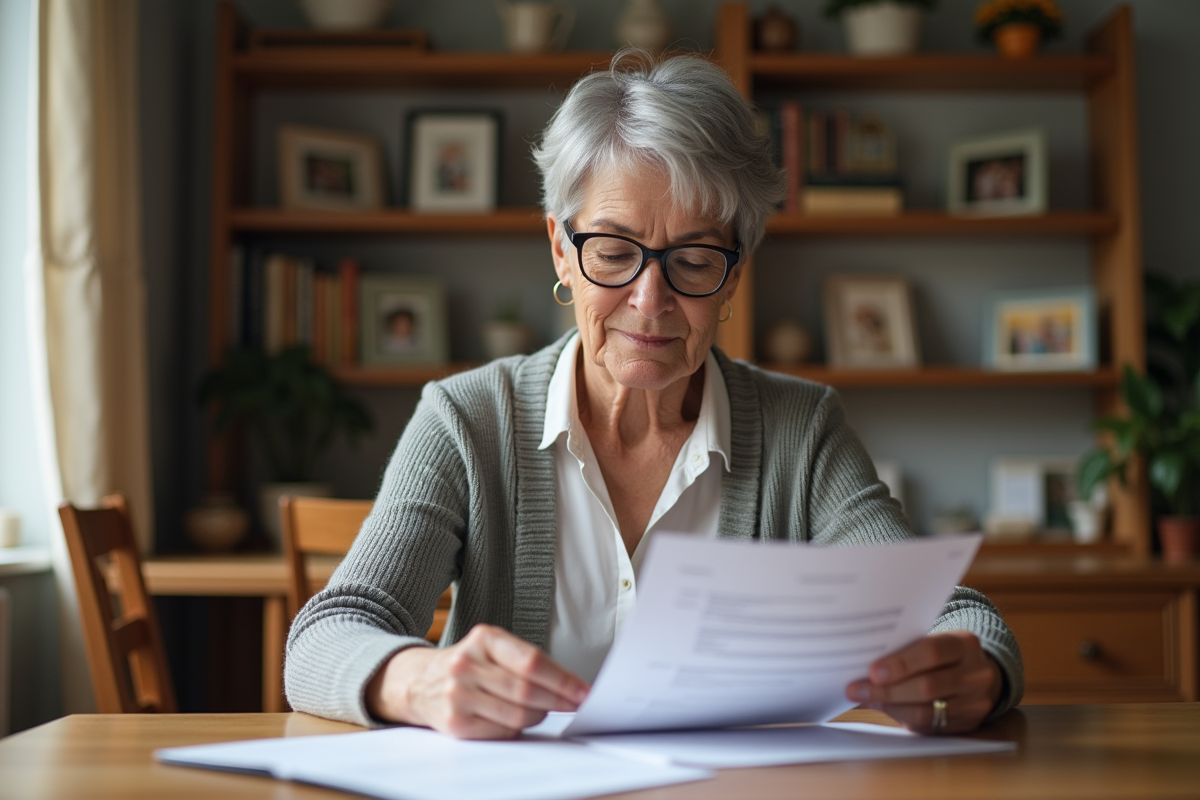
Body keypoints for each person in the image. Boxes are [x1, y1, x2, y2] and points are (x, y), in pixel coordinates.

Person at [285, 52, 1023, 740]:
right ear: (560, 251)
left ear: (734, 274)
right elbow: (327, 634)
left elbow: (955, 618)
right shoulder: (467, 419)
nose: (650, 300)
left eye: (695, 260)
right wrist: (421, 682)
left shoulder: (803, 429)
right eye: (612, 253)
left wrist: (975, 671)